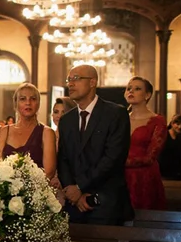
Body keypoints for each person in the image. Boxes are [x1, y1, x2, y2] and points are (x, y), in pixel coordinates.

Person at [57, 65, 133, 225]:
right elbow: (63, 159)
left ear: (92, 82)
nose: (70, 84)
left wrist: (80, 187)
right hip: (74, 205)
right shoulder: (66, 120)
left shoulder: (115, 114)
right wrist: (72, 190)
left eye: (76, 79)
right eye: (68, 80)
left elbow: (112, 159)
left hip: (105, 202)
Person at [124, 76, 166, 210]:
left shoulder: (157, 121)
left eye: (137, 89)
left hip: (144, 176)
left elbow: (150, 157)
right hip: (119, 175)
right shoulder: (120, 118)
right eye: (129, 88)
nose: (131, 91)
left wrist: (119, 162)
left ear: (147, 95)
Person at [0, 83, 57, 179]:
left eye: (33, 99)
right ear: (16, 103)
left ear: (38, 103)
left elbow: (49, 172)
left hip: (36, 190)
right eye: (23, 99)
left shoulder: (46, 133)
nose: (28, 103)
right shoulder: (4, 131)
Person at [160, 115, 181, 179]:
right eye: (177, 124)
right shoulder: (164, 134)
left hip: (177, 172)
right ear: (172, 123)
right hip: (164, 171)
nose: (180, 127)